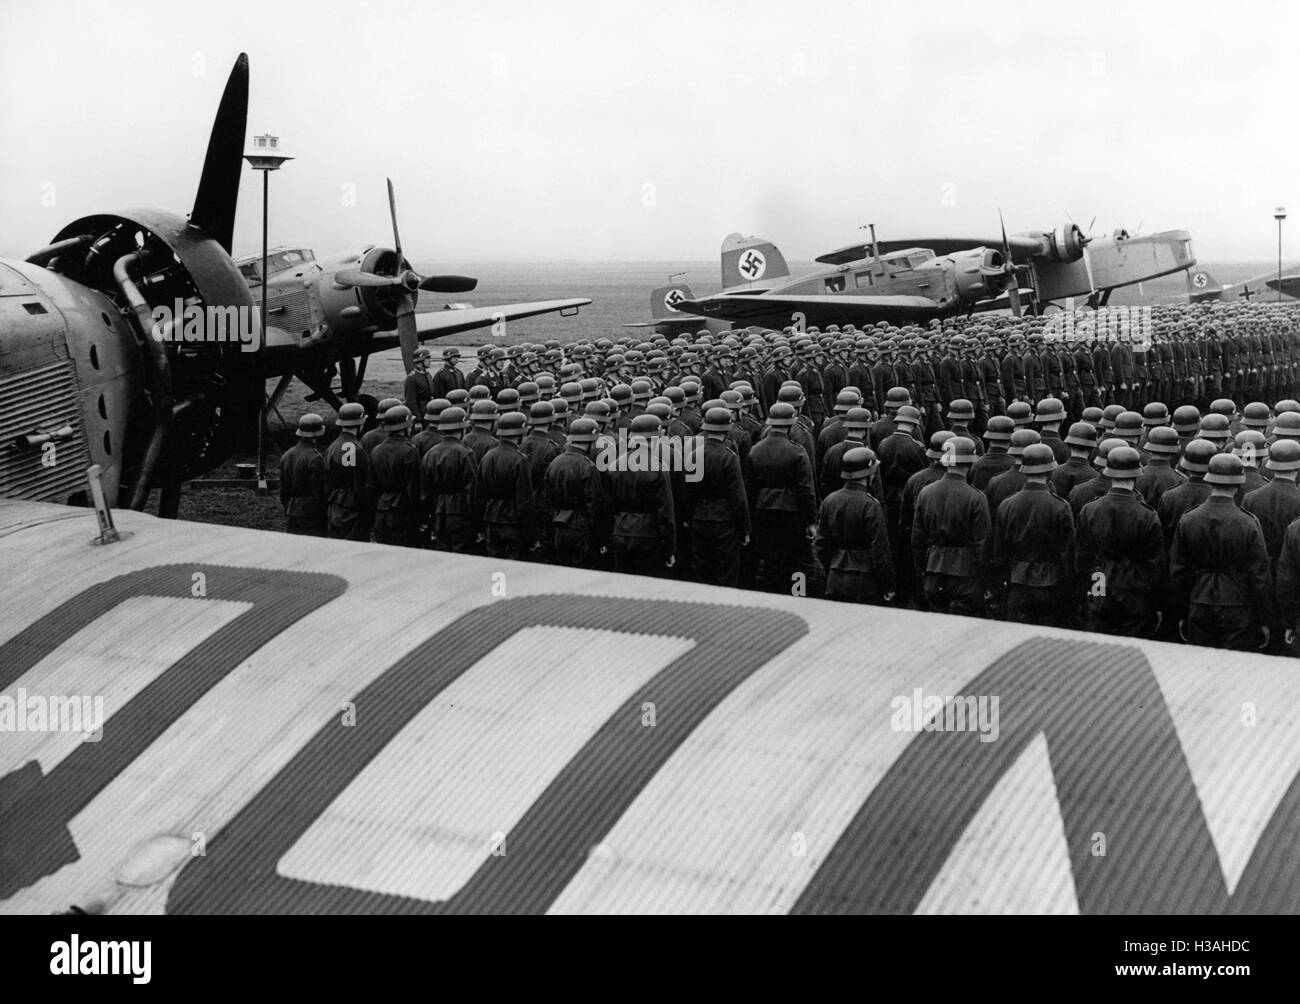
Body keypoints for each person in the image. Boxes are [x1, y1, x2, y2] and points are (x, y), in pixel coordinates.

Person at [1170, 453, 1271, 650]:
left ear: (1209, 481)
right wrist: (1265, 619)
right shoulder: (1248, 522)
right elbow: (1259, 577)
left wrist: (1180, 613)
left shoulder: (1189, 519)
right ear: (1238, 485)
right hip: (1238, 606)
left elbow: (1178, 574)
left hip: (1199, 602)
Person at [1075, 446, 1165, 638]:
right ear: (1136, 475)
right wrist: (1155, 603)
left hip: (1099, 584)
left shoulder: (1090, 510)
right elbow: (1155, 566)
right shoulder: (1147, 515)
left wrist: (1088, 590)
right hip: (1134, 592)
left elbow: (1082, 558)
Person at [990, 443, 1075, 627]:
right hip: (1050, 586)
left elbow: (999, 552)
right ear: (1050, 470)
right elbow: (1067, 554)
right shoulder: (1060, 506)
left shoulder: (1007, 505)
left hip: (1017, 583)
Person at [910, 436, 989, 616]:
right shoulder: (976, 497)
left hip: (934, 569)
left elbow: (917, 539)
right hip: (965, 574)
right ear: (970, 464)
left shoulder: (926, 492)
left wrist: (926, 566)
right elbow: (982, 544)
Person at [748, 402, 818, 593]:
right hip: (792, 513)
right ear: (790, 424)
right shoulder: (797, 451)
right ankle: (798, 595)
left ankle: (774, 599)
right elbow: (806, 490)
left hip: (763, 511)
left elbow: (750, 487)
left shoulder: (755, 450)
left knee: (772, 561)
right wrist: (811, 520)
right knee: (799, 562)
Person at [815, 447, 895, 604]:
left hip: (835, 578)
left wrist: (830, 569)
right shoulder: (870, 504)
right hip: (865, 582)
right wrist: (888, 585)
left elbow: (820, 545)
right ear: (868, 473)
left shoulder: (829, 501)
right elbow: (880, 551)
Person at [685, 407, 751, 587]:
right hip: (725, 521)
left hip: (700, 518)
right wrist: (745, 528)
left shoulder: (693, 455)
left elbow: (689, 492)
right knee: (726, 572)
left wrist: (689, 517)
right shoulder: (729, 457)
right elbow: (738, 497)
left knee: (702, 571)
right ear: (727, 429)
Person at [606, 415, 677, 575]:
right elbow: (665, 513)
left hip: (621, 533)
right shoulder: (658, 468)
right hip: (649, 537)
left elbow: (608, 507)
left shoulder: (615, 465)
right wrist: (669, 548)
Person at [474, 411, 537, 560]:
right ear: (520, 433)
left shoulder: (487, 457)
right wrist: (531, 534)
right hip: (513, 524)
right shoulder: (519, 460)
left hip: (491, 521)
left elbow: (479, 495)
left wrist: (480, 527)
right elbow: (525, 501)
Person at [545, 417, 606, 567]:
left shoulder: (555, 462)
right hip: (581, 530)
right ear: (590, 442)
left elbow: (548, 499)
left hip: (559, 526)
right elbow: (594, 507)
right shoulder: (588, 467)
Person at [420, 406, 478, 553]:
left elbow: (425, 491)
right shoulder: (465, 453)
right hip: (461, 514)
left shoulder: (430, 453)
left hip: (439, 513)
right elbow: (472, 491)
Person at [366, 405, 422, 546]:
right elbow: (413, 488)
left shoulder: (376, 451)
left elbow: (371, 487)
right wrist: (419, 517)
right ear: (405, 427)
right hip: (403, 513)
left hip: (381, 511)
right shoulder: (409, 451)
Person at [324, 403, 370, 541]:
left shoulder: (332, 446)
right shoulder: (354, 448)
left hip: (335, 506)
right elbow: (359, 484)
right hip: (351, 509)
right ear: (359, 424)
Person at [279, 413, 328, 536]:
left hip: (292, 510)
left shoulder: (287, 455)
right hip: (311, 513)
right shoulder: (315, 458)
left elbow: (283, 490)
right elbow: (319, 492)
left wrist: (288, 507)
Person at [403, 347, 436, 420]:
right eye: (427, 358)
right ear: (420, 360)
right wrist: (417, 420)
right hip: (421, 415)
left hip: (430, 413)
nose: (430, 361)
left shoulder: (428, 375)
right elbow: (411, 402)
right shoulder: (411, 378)